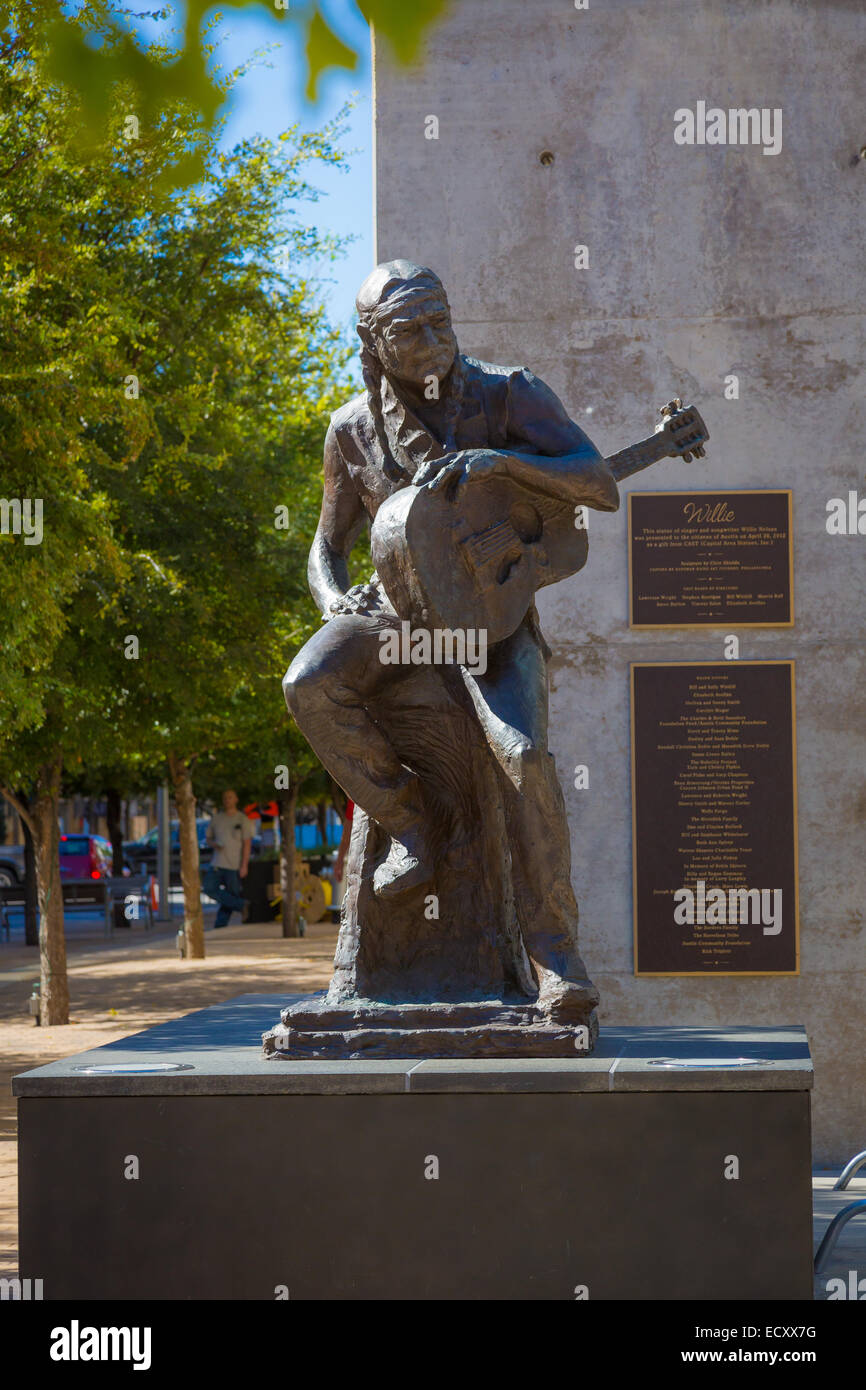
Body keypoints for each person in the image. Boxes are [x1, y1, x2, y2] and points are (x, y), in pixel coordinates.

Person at [283, 261, 619, 1023]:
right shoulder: (351, 429)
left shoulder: (509, 393)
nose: (432, 338)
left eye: (440, 319)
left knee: (524, 758)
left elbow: (599, 482)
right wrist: (336, 600)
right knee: (308, 682)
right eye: (409, 328)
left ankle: (557, 961)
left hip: (492, 628)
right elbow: (324, 545)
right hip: (397, 622)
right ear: (372, 343)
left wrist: (506, 461)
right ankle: (413, 826)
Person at [205, 790, 254, 929]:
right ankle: (241, 905)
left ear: (236, 799)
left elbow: (247, 843)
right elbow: (208, 838)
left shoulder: (242, 819)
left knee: (230, 895)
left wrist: (244, 865)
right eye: (225, 798)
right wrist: (214, 844)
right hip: (217, 863)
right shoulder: (217, 819)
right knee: (209, 888)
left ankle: (220, 926)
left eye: (230, 797)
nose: (227, 800)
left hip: (234, 865)